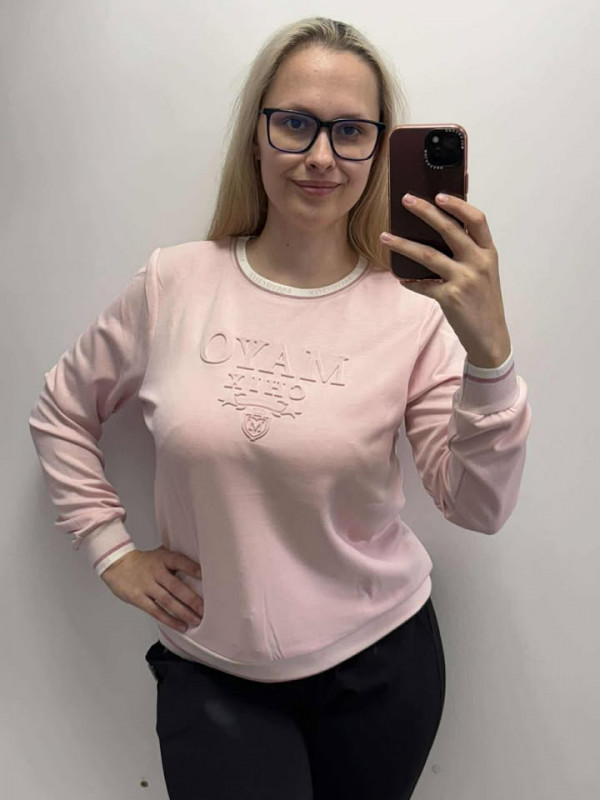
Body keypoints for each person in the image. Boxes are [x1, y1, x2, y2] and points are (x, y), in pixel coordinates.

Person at [28, 16, 532, 800]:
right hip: (213, 673)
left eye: (351, 131)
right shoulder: (174, 284)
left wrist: (489, 357)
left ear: (379, 150)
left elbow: (478, 506)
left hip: (383, 666)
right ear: (257, 136)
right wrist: (109, 549)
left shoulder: (414, 312)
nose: (321, 156)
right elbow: (62, 410)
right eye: (295, 123)